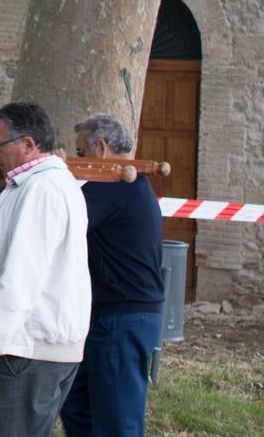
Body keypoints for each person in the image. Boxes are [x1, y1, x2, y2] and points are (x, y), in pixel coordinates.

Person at [0, 101, 90, 437]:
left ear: (28, 144)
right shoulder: (35, 184)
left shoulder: (42, 190)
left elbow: (21, 279)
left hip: (27, 348)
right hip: (32, 345)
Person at [59, 114, 165, 437]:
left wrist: (55, 176)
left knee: (118, 422)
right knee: (77, 406)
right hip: (113, 314)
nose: (77, 162)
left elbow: (62, 221)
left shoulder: (115, 185)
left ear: (101, 148)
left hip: (123, 317)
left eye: (79, 153)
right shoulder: (119, 185)